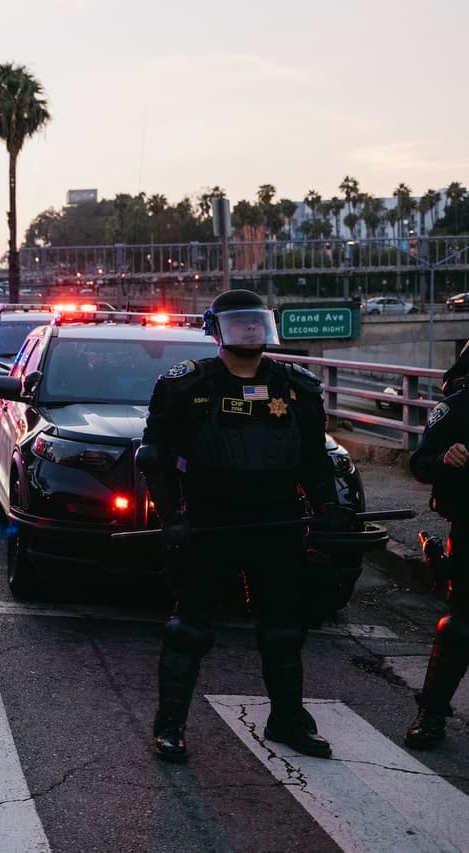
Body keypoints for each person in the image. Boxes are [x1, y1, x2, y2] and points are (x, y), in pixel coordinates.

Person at [136, 289, 354, 762]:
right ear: (217, 330)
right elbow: (153, 457)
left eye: (255, 322)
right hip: (211, 520)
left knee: (283, 628)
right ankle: (170, 726)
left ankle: (288, 719)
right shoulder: (186, 386)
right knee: (189, 628)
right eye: (239, 323)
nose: (249, 331)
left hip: (277, 520)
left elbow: (315, 460)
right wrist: (171, 518)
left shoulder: (297, 386)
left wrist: (327, 507)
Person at [404, 342, 469, 750]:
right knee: (461, 627)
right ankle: (430, 714)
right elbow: (419, 463)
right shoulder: (460, 407)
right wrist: (447, 461)